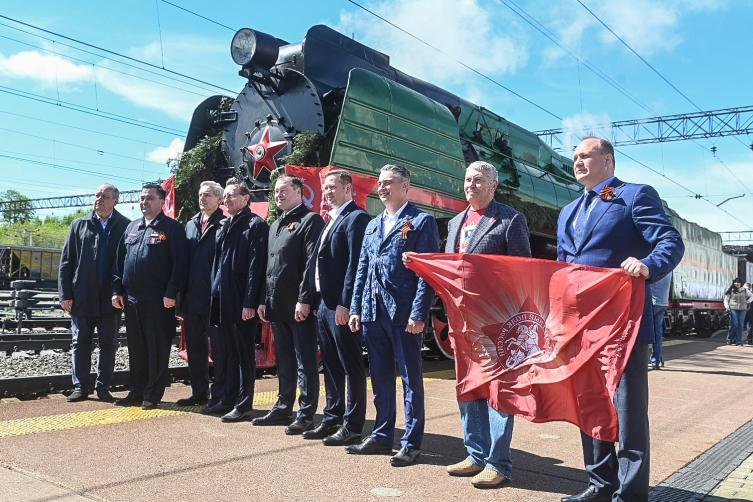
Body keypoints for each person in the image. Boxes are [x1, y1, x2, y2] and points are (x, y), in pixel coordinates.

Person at [557, 137, 684, 502]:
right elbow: (563, 266)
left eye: (586, 156)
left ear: (608, 161)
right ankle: (600, 484)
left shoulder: (633, 195)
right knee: (590, 406)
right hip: (581, 326)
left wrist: (647, 265)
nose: (578, 161)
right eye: (575, 157)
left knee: (628, 412)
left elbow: (670, 242)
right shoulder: (568, 211)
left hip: (623, 324)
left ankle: (630, 494)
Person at [439, 161, 531, 488]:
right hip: (461, 321)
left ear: (494, 185)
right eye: (467, 179)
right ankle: (475, 454)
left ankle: (498, 462)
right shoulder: (454, 223)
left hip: (496, 322)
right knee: (468, 387)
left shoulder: (510, 219)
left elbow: (522, 272)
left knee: (498, 390)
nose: (471, 185)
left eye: (478, 180)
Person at [347, 164, 440, 467]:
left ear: (405, 187)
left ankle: (411, 443)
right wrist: (357, 307)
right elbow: (362, 269)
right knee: (380, 376)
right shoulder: (373, 225)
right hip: (373, 312)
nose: (382, 188)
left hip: (403, 314)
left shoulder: (421, 222)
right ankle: (382, 435)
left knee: (411, 379)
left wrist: (419, 312)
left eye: (389, 183)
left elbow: (426, 273)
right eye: (380, 183)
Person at [302, 170, 370, 446]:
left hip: (340, 305)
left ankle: (352, 425)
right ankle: (332, 417)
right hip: (324, 305)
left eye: (333, 187)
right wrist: (313, 299)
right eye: (325, 188)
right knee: (330, 365)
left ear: (348, 189)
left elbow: (355, 264)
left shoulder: (357, 218)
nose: (328, 192)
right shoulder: (330, 220)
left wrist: (346, 303)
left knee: (350, 364)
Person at [253, 175, 324, 433]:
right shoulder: (275, 224)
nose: (278, 195)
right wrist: (263, 299)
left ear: (298, 192)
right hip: (276, 303)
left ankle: (305, 414)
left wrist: (304, 299)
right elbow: (268, 265)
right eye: (276, 191)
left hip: (297, 305)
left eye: (284, 190)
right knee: (283, 359)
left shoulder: (310, 220)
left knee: (305, 360)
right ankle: (283, 407)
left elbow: (310, 264)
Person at [112, 183, 188, 410]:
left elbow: (180, 264)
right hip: (132, 299)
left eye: (150, 198)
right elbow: (119, 262)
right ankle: (137, 391)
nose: (144, 202)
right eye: (142, 198)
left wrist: (171, 293)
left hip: (159, 299)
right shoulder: (132, 227)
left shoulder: (172, 228)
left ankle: (152, 394)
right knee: (136, 348)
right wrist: (117, 290)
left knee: (156, 347)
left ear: (162, 201)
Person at [58, 184, 130, 402]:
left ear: (115, 201)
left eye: (105, 196)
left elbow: (128, 262)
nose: (99, 199)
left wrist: (123, 292)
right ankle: (80, 387)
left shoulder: (126, 225)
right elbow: (66, 262)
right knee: (80, 342)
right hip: (82, 295)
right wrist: (65, 294)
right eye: (97, 195)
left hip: (112, 298)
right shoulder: (79, 225)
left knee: (108, 344)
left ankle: (103, 387)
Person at [206, 179, 268, 421]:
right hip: (222, 299)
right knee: (227, 353)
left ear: (246, 198)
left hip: (241, 301)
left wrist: (250, 302)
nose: (227, 199)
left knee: (244, 355)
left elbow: (256, 267)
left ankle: (244, 404)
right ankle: (227, 398)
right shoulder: (225, 225)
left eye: (232, 195)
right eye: (226, 196)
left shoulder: (255, 225)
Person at [176, 181, 225, 407]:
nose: (202, 199)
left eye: (207, 195)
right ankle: (199, 393)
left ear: (219, 199)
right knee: (195, 349)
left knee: (219, 350)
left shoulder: (224, 224)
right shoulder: (190, 224)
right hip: (192, 298)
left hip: (215, 299)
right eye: (200, 195)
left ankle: (220, 395)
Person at [649, 273, 671, 369]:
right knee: (658, 334)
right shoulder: (668, 269)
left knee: (642, 332)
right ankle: (656, 360)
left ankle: (649, 360)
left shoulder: (654, 268)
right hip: (663, 303)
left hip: (652, 303)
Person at [724, 278, 752, 346]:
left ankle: (738, 341)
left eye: (738, 282)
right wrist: (727, 307)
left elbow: (751, 296)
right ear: (733, 283)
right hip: (733, 309)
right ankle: (729, 339)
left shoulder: (745, 290)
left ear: (741, 283)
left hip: (742, 309)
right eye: (735, 282)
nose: (737, 283)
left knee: (740, 325)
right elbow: (726, 300)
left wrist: (748, 301)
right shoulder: (731, 290)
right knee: (735, 324)